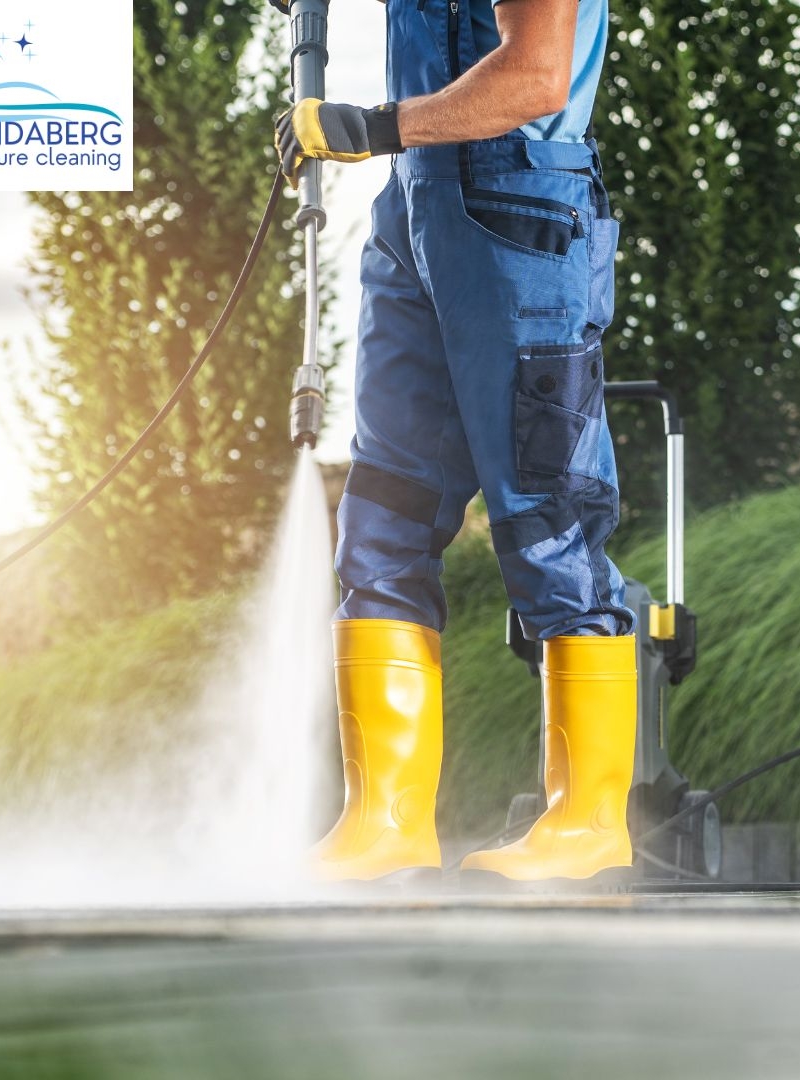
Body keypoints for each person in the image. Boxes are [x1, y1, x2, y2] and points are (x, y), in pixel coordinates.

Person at [270, 0, 635, 886]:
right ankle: (383, 822)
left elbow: (534, 77)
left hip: (520, 210)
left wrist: (370, 125)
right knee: (383, 521)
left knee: (549, 517)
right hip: (415, 213)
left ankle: (589, 823)